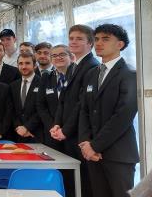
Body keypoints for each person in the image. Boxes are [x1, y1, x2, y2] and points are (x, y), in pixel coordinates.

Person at [79, 24, 138, 197]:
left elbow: (123, 115)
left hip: (118, 154)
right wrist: (85, 143)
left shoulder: (129, 74)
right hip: (92, 153)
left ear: (120, 45)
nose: (98, 43)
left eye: (105, 39)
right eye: (96, 39)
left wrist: (95, 146)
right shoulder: (91, 74)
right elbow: (84, 110)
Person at [51, 24, 98, 197]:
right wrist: (57, 123)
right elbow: (63, 100)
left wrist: (66, 129)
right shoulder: (74, 66)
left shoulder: (92, 66)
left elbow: (81, 103)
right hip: (67, 133)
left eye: (79, 38)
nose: (74, 42)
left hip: (79, 134)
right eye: (71, 38)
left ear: (90, 43)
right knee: (71, 181)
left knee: (84, 183)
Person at [36, 44, 71, 152]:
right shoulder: (46, 77)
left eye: (62, 54)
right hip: (52, 132)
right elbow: (41, 105)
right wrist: (52, 127)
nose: (58, 57)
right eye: (54, 55)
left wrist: (65, 129)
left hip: (71, 132)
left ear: (71, 56)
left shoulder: (76, 76)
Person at [10, 52, 42, 143]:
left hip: (36, 133)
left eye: (27, 63)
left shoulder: (43, 83)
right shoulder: (13, 85)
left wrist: (27, 127)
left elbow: (42, 109)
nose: (24, 67)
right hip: (17, 134)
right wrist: (18, 127)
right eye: (21, 63)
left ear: (35, 65)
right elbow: (11, 110)